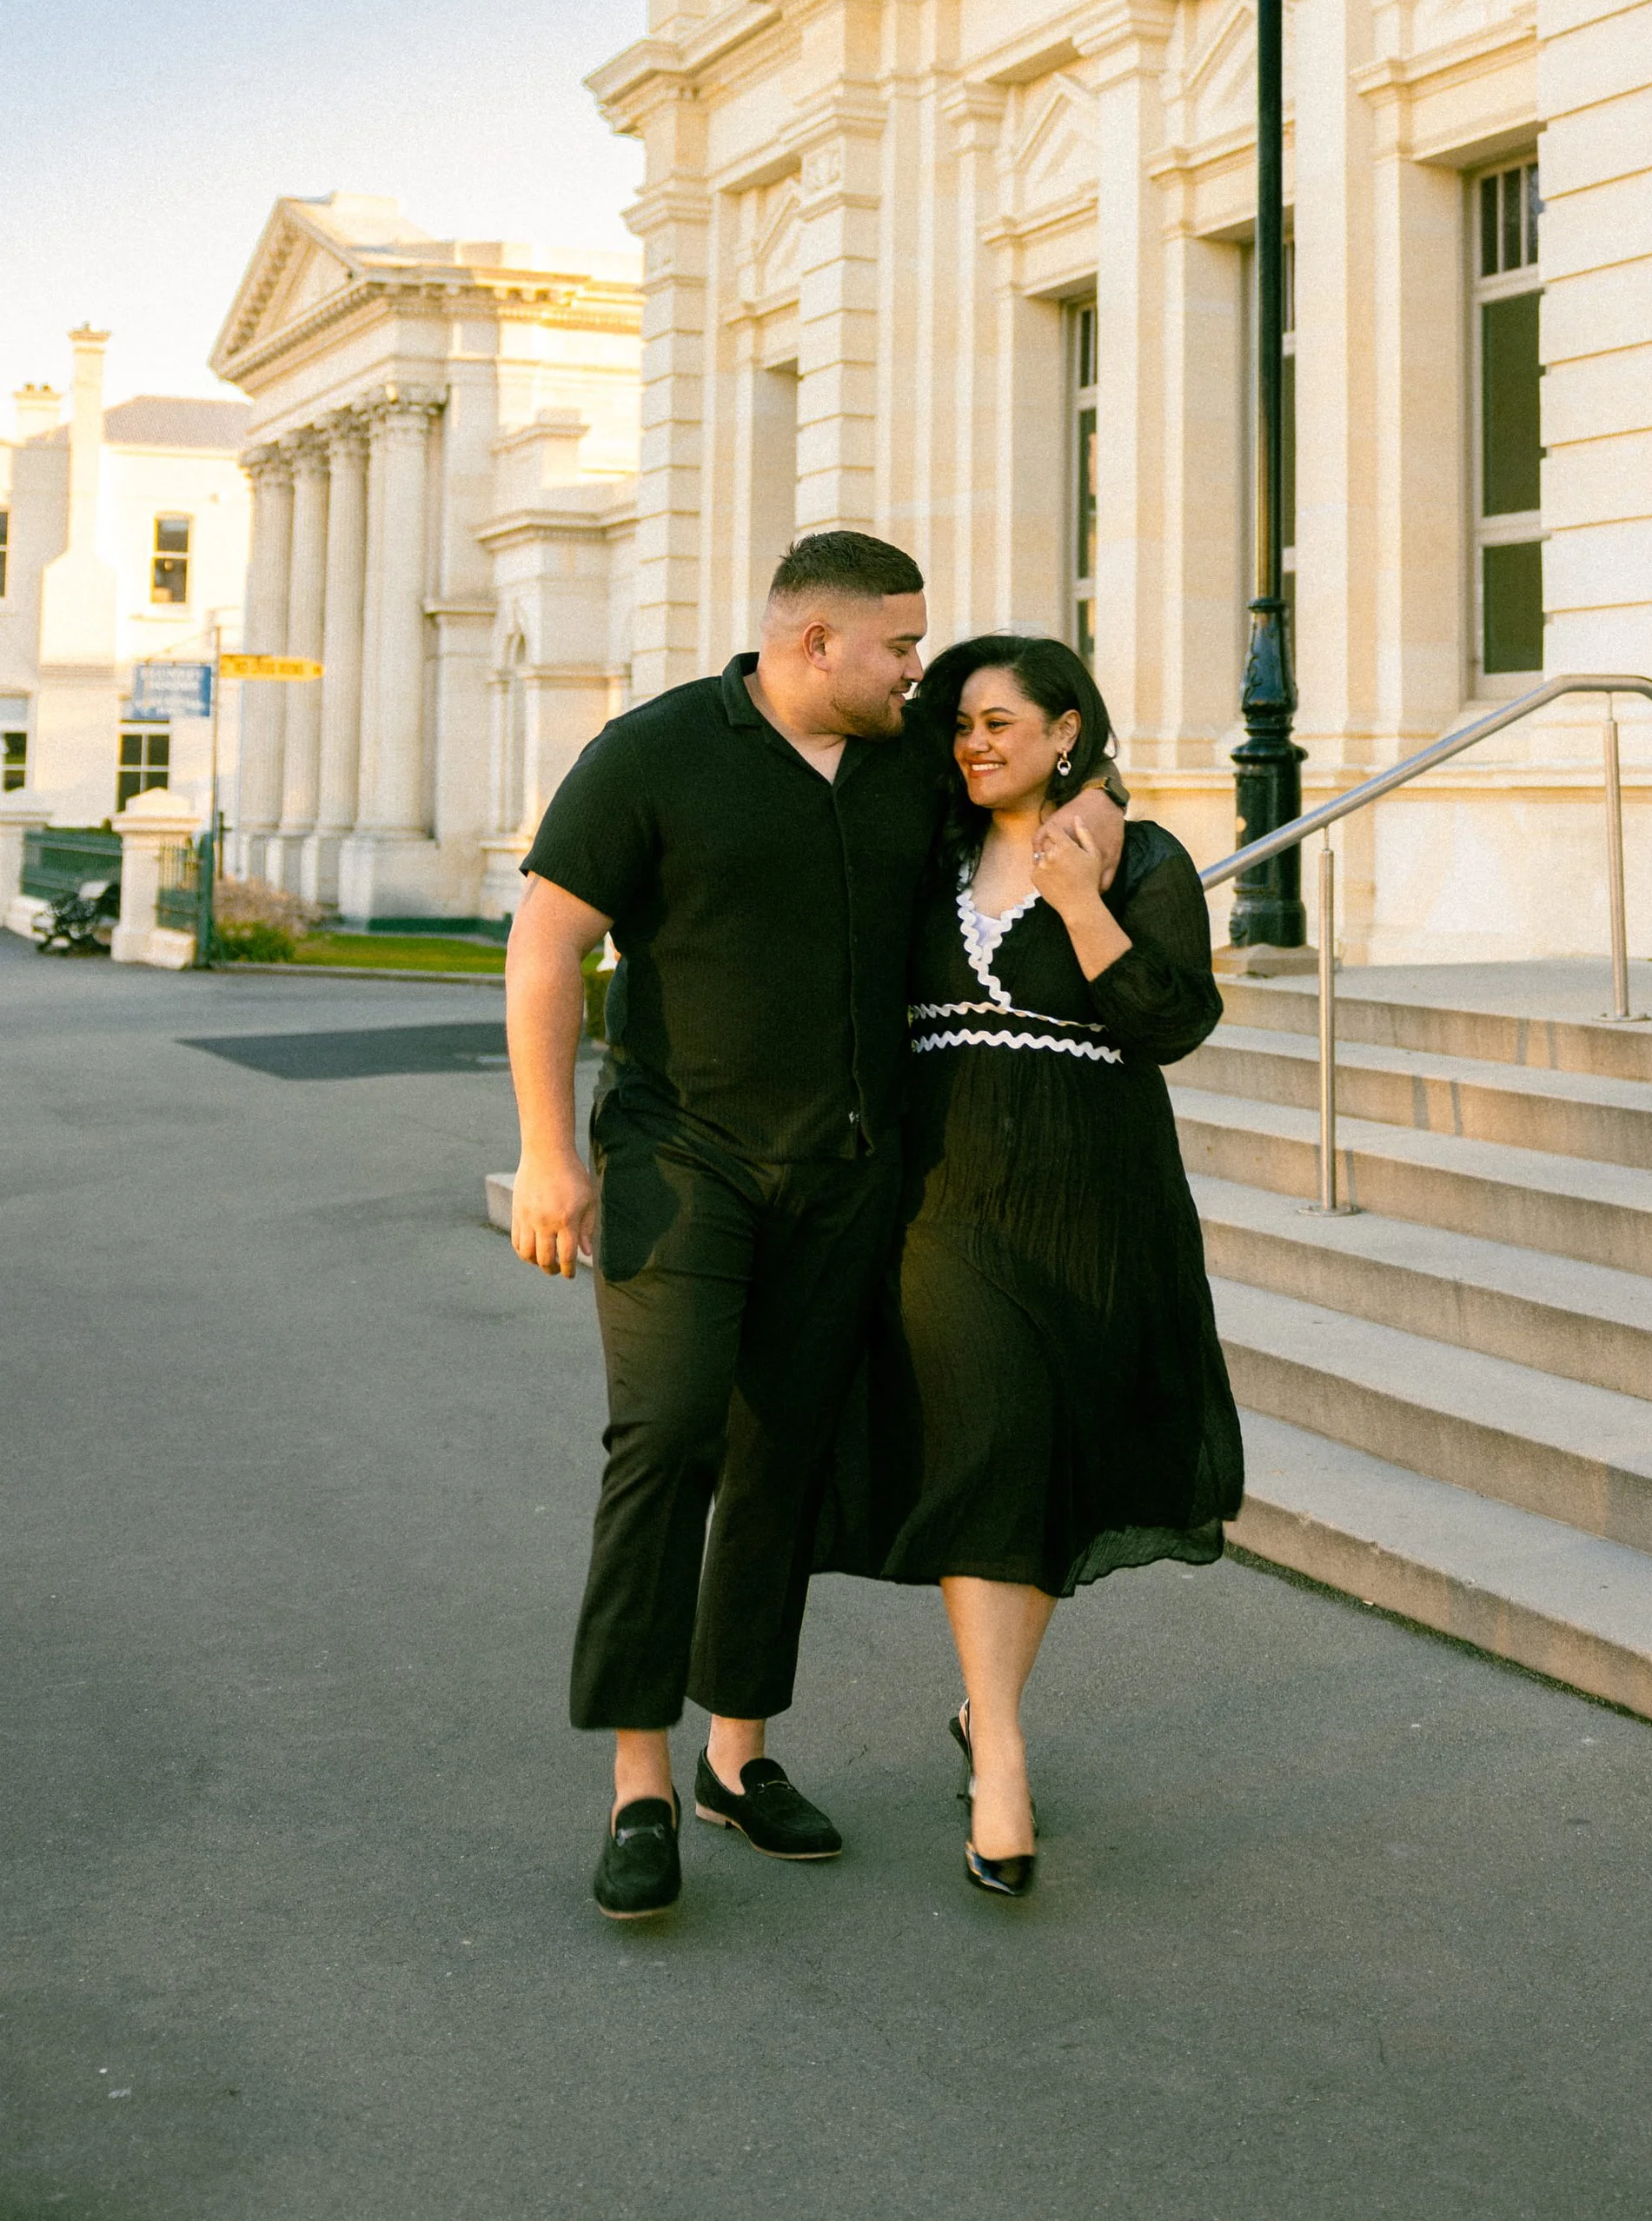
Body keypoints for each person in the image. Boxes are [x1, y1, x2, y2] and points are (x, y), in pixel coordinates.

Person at [501, 534, 1125, 1920]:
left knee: (780, 1457)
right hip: (683, 1157)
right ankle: (641, 1783)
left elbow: (1042, 780)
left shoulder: (907, 762)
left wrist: (1109, 823)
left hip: (848, 1172)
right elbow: (547, 942)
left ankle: (739, 1755)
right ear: (811, 645)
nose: (921, 668)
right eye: (899, 647)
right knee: (664, 1441)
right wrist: (549, 1153)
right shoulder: (655, 752)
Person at [841, 633, 1242, 1900]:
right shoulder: (928, 852)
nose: (972, 743)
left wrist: (1079, 899)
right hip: (948, 1200)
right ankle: (1002, 1755)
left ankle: (982, 1707)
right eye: (960, 723)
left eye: (1000, 723)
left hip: (1097, 1203)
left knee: (1049, 1465)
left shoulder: (1146, 859)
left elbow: (1175, 1021)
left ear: (1068, 730)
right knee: (993, 1436)